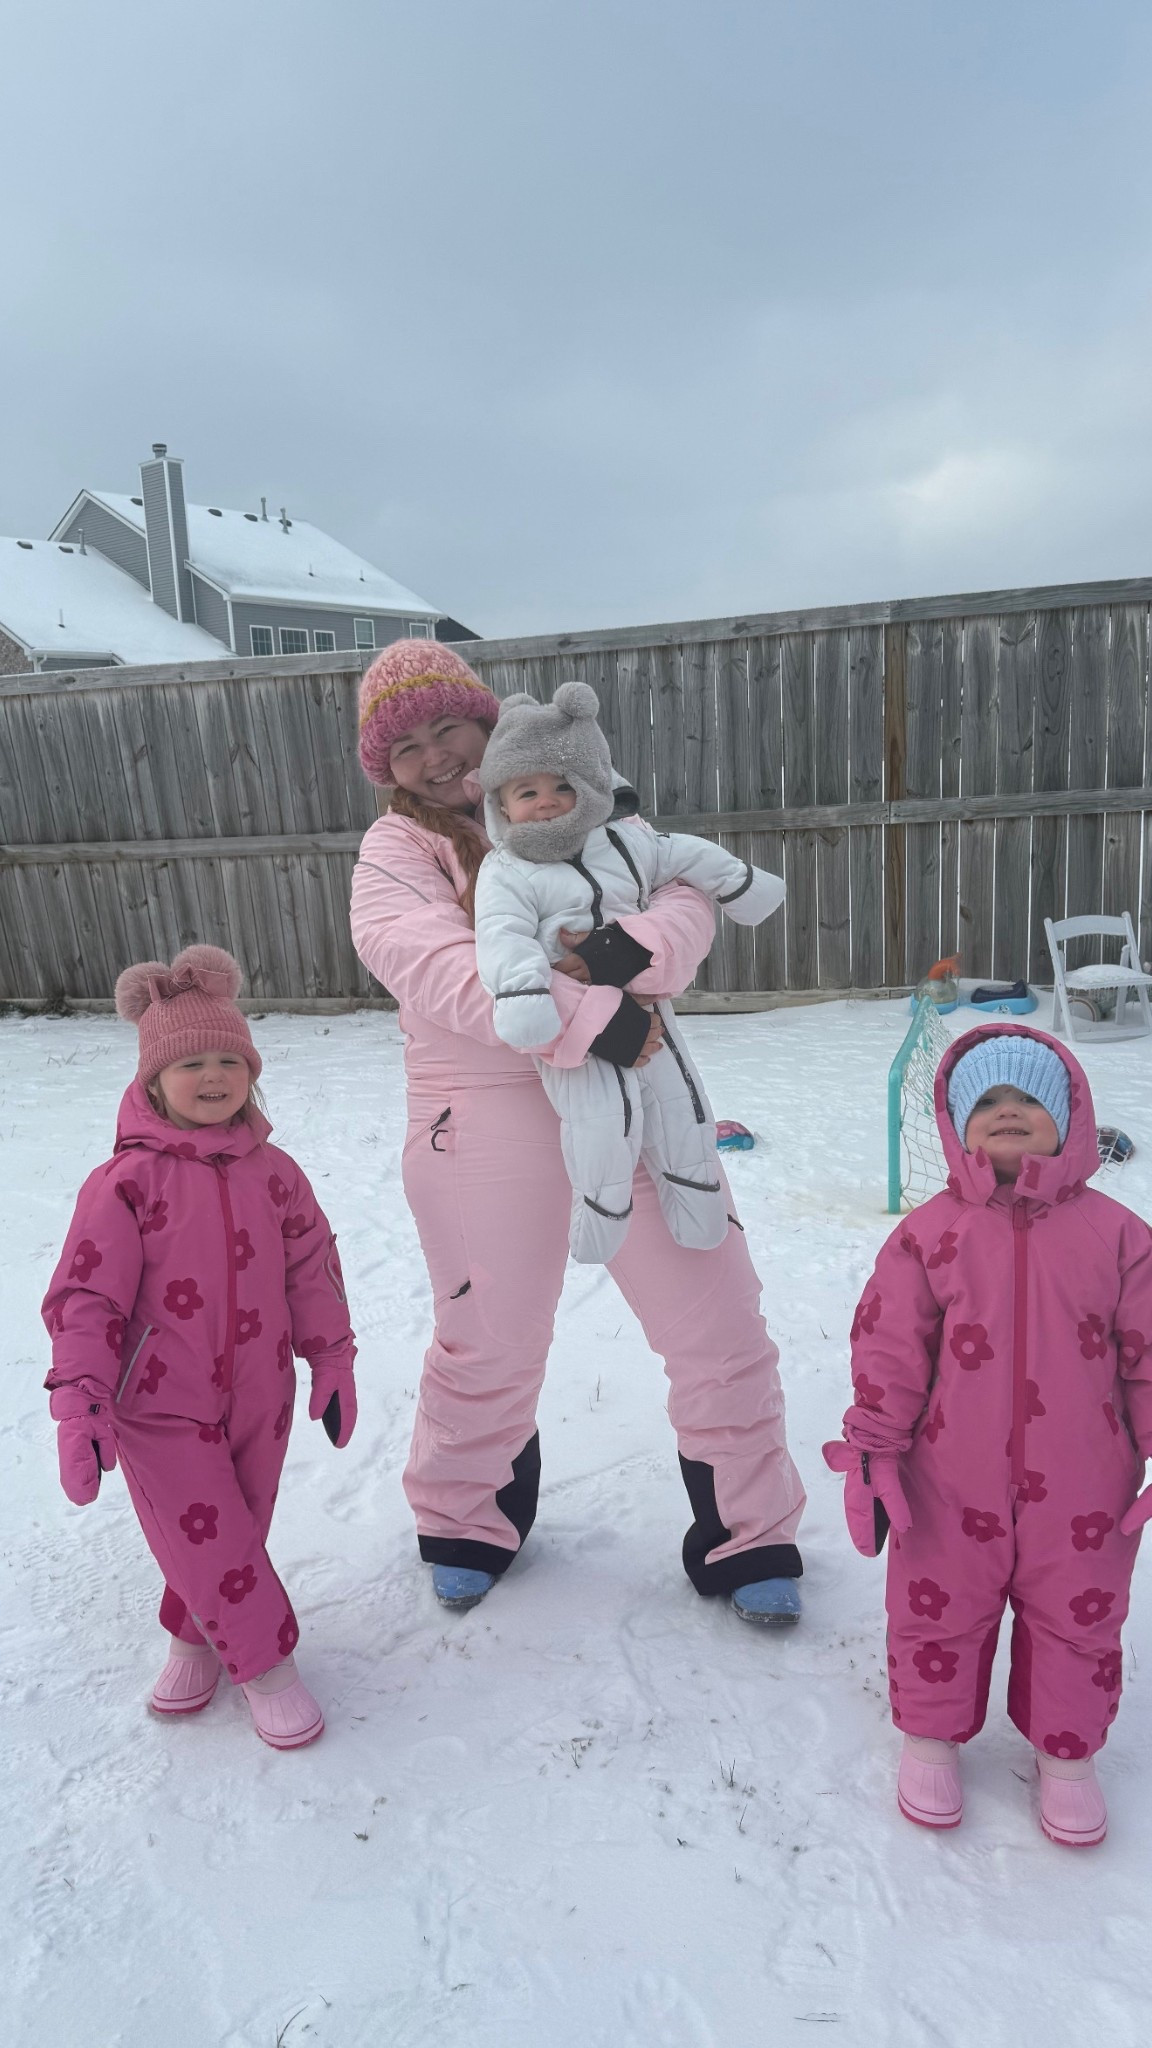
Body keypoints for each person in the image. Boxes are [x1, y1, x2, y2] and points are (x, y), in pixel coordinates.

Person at [348, 639, 805, 1623]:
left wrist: (608, 955)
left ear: (486, 719)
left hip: (637, 1101)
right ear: (387, 768)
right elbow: (436, 966)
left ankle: (750, 1529)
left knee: (720, 1320)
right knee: (491, 1338)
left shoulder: (584, 796)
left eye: (448, 727)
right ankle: (466, 1518)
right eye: (408, 747)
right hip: (483, 1114)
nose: (435, 756)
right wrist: (605, 1017)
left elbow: (684, 905)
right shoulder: (397, 852)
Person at [823, 1022, 1152, 1846]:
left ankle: (1068, 1755)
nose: (1009, 1111)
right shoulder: (930, 1234)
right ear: (958, 1124)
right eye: (989, 1100)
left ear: (1069, 1117)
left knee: (1079, 1617)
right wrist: (877, 1445)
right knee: (937, 1606)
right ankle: (931, 1737)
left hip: (1085, 1484)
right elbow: (889, 1344)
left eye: (1029, 1099)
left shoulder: (1119, 1236)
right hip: (948, 1478)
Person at [42, 946, 357, 1750]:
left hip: (261, 1389)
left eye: (229, 1060)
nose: (213, 1076)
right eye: (190, 1063)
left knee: (236, 1527)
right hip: (156, 1399)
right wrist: (80, 1399)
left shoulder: (276, 1174)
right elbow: (86, 1295)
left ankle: (194, 1640)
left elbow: (312, 1268)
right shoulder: (124, 1184)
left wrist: (331, 1356)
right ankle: (266, 1665)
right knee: (206, 1531)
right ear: (153, 1082)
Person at [472, 680, 785, 1262]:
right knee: (600, 1123)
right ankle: (600, 1220)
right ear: (501, 805)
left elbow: (684, 854)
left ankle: (698, 1206)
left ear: (589, 787)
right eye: (527, 791)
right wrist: (523, 996)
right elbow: (500, 933)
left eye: (563, 786)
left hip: (648, 1003)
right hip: (569, 1024)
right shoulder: (505, 869)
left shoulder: (621, 840)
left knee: (681, 1105)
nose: (547, 801)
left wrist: (740, 885)